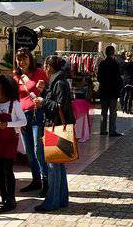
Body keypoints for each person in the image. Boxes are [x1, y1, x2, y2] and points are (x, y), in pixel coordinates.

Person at [33, 55, 75, 212]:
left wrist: (43, 101)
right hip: (56, 127)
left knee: (53, 166)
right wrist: (44, 93)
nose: (44, 68)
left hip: (55, 128)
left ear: (49, 66)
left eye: (45, 65)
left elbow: (60, 106)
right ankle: (61, 199)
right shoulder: (57, 82)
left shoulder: (59, 83)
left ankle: (52, 201)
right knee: (58, 164)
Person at [13, 48, 49, 196]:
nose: (22, 62)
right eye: (19, 59)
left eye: (24, 58)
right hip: (22, 117)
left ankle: (46, 181)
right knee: (29, 151)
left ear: (30, 59)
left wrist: (44, 90)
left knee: (38, 149)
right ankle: (36, 180)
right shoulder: (16, 77)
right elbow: (15, 98)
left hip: (36, 114)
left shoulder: (39, 73)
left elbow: (49, 91)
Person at [0, 75, 27, 213]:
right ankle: (4, 198)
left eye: (0, 89)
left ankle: (11, 199)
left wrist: (8, 124)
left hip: (11, 141)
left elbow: (23, 121)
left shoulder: (14, 104)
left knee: (8, 170)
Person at [97, 46, 124, 137]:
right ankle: (112, 131)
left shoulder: (102, 64)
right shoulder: (115, 64)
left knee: (103, 112)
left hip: (104, 91)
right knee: (113, 112)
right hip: (112, 92)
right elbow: (118, 78)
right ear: (113, 52)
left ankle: (102, 130)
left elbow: (99, 77)